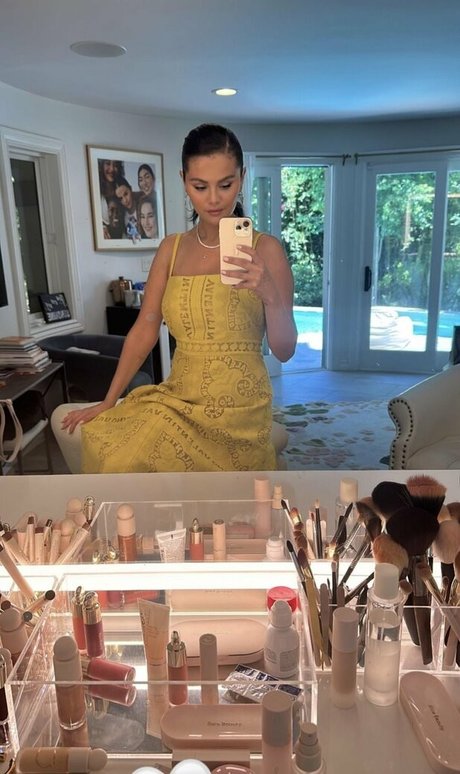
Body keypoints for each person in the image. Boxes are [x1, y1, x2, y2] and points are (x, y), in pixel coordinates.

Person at [62, 123, 297, 472]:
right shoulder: (170, 249)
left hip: (240, 408)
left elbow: (284, 350)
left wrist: (270, 295)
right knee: (119, 454)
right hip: (179, 397)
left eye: (226, 184)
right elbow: (145, 328)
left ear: (242, 178)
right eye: (200, 186)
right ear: (184, 180)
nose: (214, 199)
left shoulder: (266, 250)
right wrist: (109, 400)